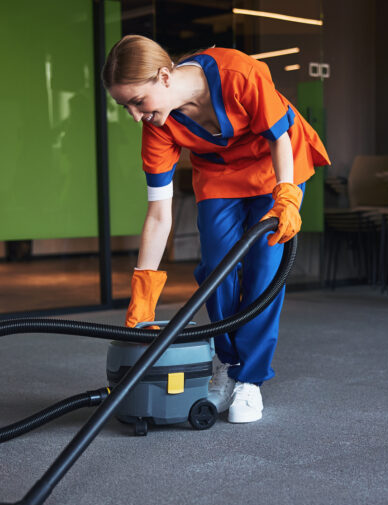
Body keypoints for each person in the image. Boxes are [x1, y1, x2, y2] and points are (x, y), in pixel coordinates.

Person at [102, 35, 330, 422]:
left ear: (163, 76)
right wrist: (142, 292)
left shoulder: (239, 73)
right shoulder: (159, 125)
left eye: (137, 102)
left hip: (276, 167)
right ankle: (226, 362)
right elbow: (159, 214)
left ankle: (251, 380)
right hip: (220, 176)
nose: (135, 116)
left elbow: (278, 138)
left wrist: (287, 195)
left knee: (264, 269)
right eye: (125, 107)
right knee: (216, 270)